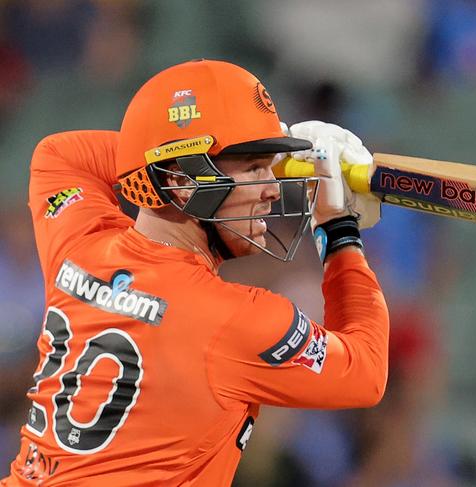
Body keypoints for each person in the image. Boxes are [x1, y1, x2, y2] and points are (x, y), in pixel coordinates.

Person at [1, 59, 389, 486]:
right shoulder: (237, 320)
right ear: (183, 180)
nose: (274, 188)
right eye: (256, 167)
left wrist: (207, 145)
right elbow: (366, 372)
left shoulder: (82, 244)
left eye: (271, 165)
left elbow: (61, 153)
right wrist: (339, 229)